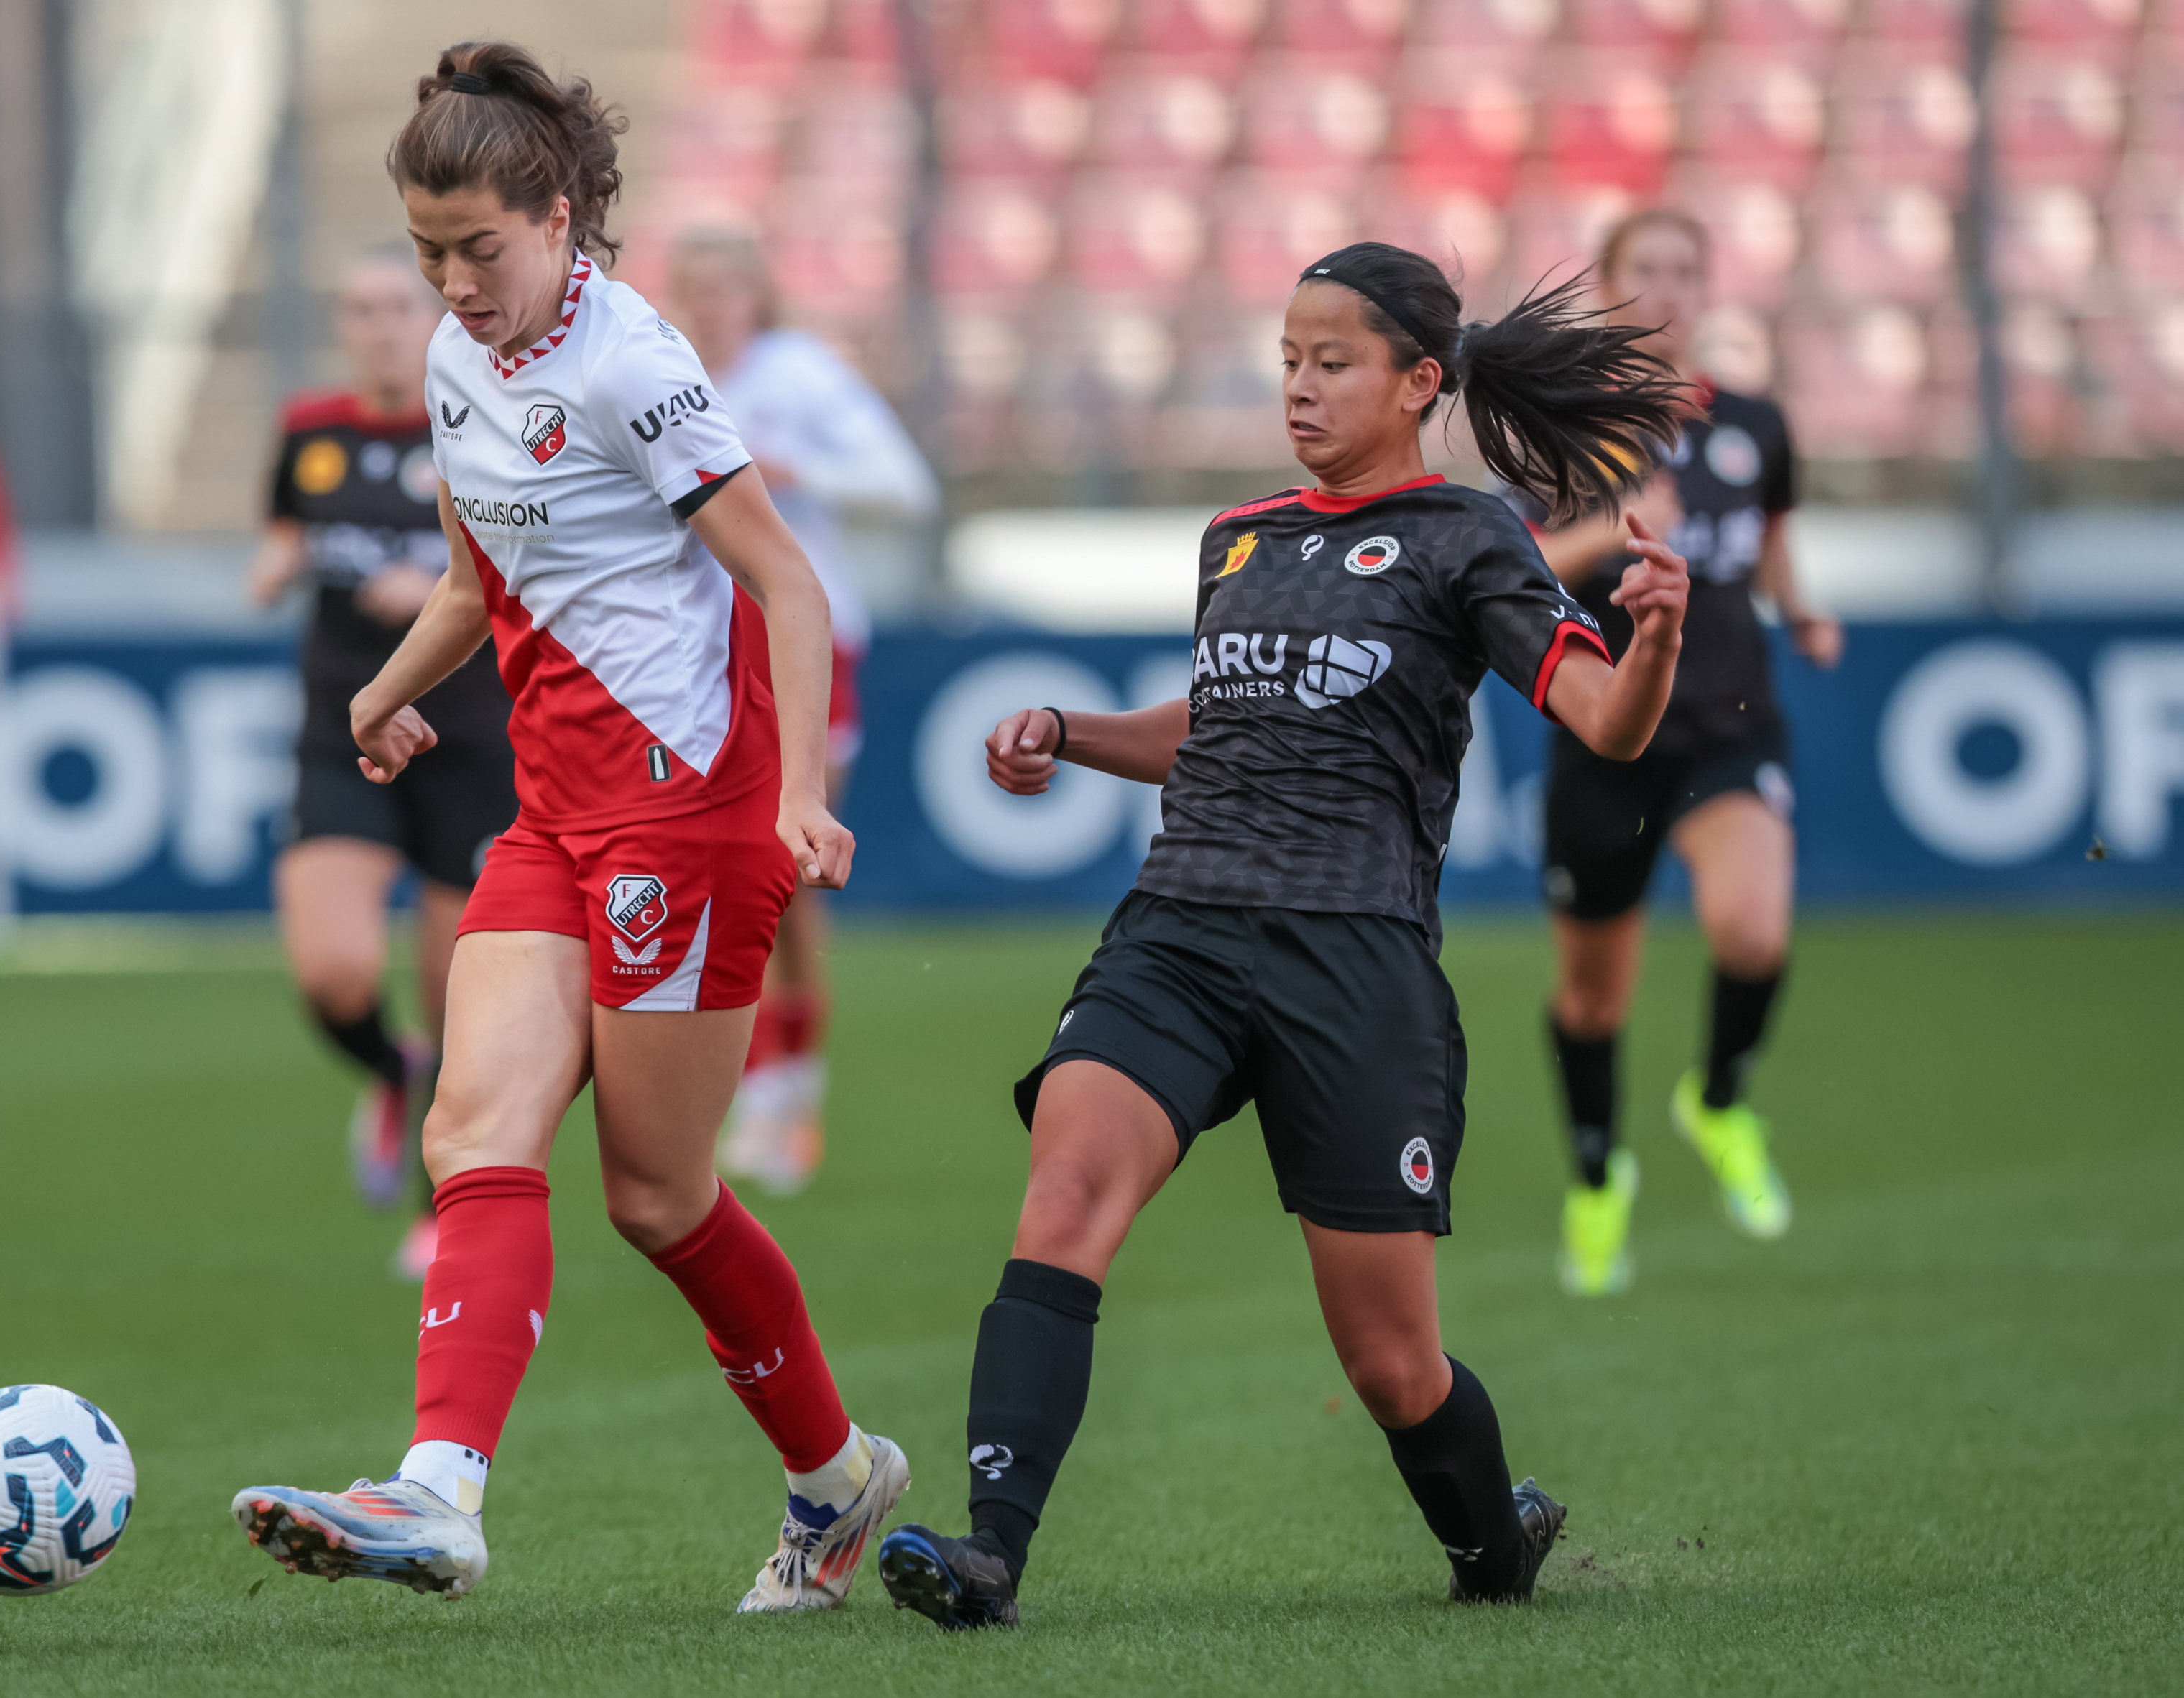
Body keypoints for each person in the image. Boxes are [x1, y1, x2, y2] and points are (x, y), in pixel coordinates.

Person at [874, 242, 1694, 1629]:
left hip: (1355, 960)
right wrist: (1071, 732)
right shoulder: (1237, 539)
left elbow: (1609, 719)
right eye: (1288, 363)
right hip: (1179, 929)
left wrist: (1657, 639)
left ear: (1419, 382)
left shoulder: (1467, 536)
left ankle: (1494, 1542)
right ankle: (991, 1555)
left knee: (1391, 1365)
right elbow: (1224, 721)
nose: (1301, 392)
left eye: (1334, 365)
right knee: (1064, 1199)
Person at [231, 41, 908, 1610]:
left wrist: (801, 791)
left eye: (479, 250)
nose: (454, 285)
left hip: (689, 817)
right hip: (552, 819)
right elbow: (478, 587)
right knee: (474, 1133)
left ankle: (832, 1476)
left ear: (557, 220)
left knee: (656, 1196)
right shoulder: (461, 368)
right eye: (426, 255)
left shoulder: (635, 363)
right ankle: (437, 1495)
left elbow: (786, 582)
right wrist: (384, 694)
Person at [1529, 209, 1843, 1297]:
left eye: (1685, 268)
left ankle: (1718, 1101)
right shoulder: (1567, 425)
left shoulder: (1753, 421)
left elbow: (1771, 536)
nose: (1667, 288)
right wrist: (1611, 529)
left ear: (1709, 288)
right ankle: (1596, 1174)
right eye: (1645, 270)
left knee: (1752, 930)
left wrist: (1803, 612)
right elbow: (1511, 564)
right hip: (1604, 732)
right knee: (1592, 1001)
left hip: (1728, 719)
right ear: (1607, 289)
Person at [250, 251, 518, 1281]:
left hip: (471, 737)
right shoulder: (311, 430)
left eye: (393, 307)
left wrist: (442, 585)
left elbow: (517, 563)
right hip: (345, 731)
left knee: (460, 992)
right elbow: (284, 529)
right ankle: (387, 1072)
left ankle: (434, 1208)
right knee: (333, 970)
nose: (376, 326)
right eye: (357, 309)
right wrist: (275, 563)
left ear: (434, 317)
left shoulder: (484, 420)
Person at [664, 226, 940, 1194]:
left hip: (809, 643)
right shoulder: (660, 380)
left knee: (785, 876)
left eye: (725, 287)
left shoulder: (799, 375)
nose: (709, 307)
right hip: (700, 652)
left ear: (757, 294)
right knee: (722, 874)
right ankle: (758, 1092)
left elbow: (906, 486)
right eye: (692, 288)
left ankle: (789, 1099)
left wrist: (797, 473)